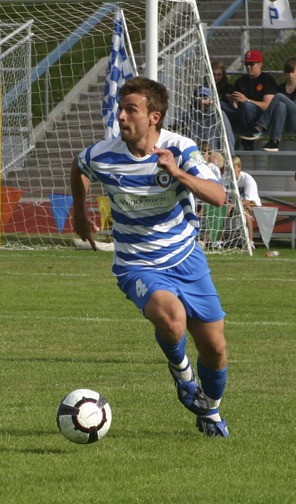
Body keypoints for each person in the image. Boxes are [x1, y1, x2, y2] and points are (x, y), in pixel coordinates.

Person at [70, 77, 230, 437]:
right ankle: (183, 374)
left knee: (215, 347)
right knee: (172, 319)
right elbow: (79, 167)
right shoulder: (103, 154)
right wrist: (80, 213)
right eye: (121, 109)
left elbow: (218, 196)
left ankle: (211, 411)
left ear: (154, 117)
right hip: (136, 262)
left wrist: (176, 173)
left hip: (186, 257)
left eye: (131, 110)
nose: (122, 117)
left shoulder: (182, 148)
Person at [226, 50, 278, 150]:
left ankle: (248, 140)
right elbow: (235, 103)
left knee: (247, 105)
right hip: (242, 114)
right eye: (246, 64)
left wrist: (247, 100)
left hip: (262, 117)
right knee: (222, 105)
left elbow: (267, 106)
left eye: (251, 64)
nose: (248, 67)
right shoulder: (241, 81)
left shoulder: (267, 80)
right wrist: (233, 101)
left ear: (260, 64)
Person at [240, 57, 296, 152]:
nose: (290, 75)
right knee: (280, 106)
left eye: (293, 72)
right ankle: (274, 142)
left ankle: (259, 127)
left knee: (279, 96)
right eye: (287, 72)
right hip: (284, 122)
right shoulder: (281, 87)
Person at [177, 86, 234, 154]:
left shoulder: (218, 114)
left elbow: (228, 136)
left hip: (214, 156)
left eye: (206, 98)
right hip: (193, 154)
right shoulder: (187, 115)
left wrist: (231, 154)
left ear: (212, 100)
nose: (202, 101)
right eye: (200, 98)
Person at [230, 155, 261, 247]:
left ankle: (250, 242)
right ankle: (216, 241)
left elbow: (249, 201)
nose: (230, 170)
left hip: (251, 205)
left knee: (245, 213)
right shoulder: (225, 178)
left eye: (233, 167)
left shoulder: (247, 179)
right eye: (228, 167)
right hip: (233, 205)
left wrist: (233, 205)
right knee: (219, 211)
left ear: (239, 167)